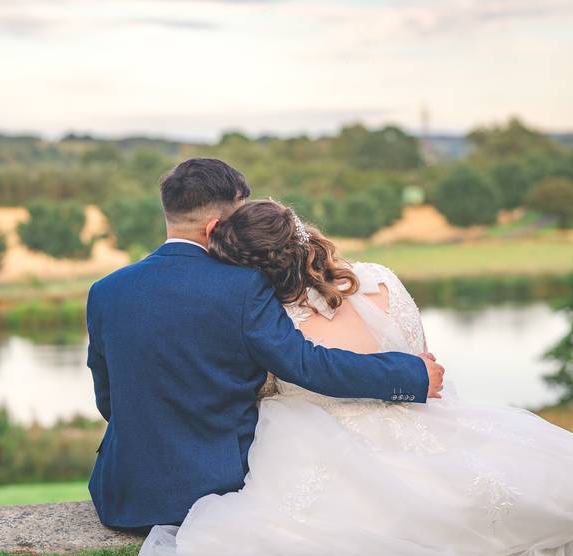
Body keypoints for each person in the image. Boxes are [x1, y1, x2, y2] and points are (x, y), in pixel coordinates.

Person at [138, 199, 573, 556]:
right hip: (427, 419)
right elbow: (424, 359)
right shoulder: (381, 279)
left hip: (323, 440)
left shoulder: (274, 321)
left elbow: (275, 381)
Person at [86, 159, 443, 532]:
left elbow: (107, 400)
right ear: (214, 227)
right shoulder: (242, 287)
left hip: (122, 495)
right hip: (213, 492)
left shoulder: (105, 291)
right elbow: (306, 365)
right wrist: (410, 374)